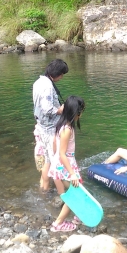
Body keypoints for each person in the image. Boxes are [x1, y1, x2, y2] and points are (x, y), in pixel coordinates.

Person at [48, 95, 85, 233]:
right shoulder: (67, 130)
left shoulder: (62, 125)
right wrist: (72, 173)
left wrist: (56, 162)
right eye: (81, 112)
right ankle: (58, 224)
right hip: (65, 166)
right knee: (74, 195)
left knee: (78, 190)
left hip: (61, 165)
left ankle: (77, 216)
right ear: (76, 112)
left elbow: (54, 145)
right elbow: (63, 153)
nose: (81, 115)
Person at [33, 59, 68, 191]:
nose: (62, 77)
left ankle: (44, 188)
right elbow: (47, 109)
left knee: (47, 159)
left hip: (41, 126)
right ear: (57, 73)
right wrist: (62, 109)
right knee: (54, 160)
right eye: (62, 74)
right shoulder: (47, 86)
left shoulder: (39, 81)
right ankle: (62, 192)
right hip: (49, 129)